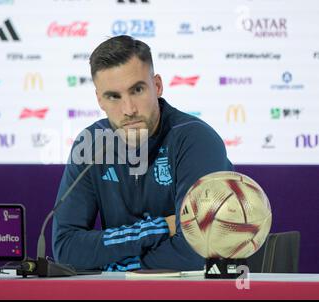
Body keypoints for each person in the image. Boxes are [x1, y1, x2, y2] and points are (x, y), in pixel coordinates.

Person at [52, 35, 233, 271]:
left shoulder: (195, 140)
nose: (128, 110)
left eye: (137, 90)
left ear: (157, 86)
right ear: (99, 100)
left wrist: (116, 266)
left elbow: (197, 251)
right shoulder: (91, 143)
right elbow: (66, 249)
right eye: (113, 96)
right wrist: (160, 228)